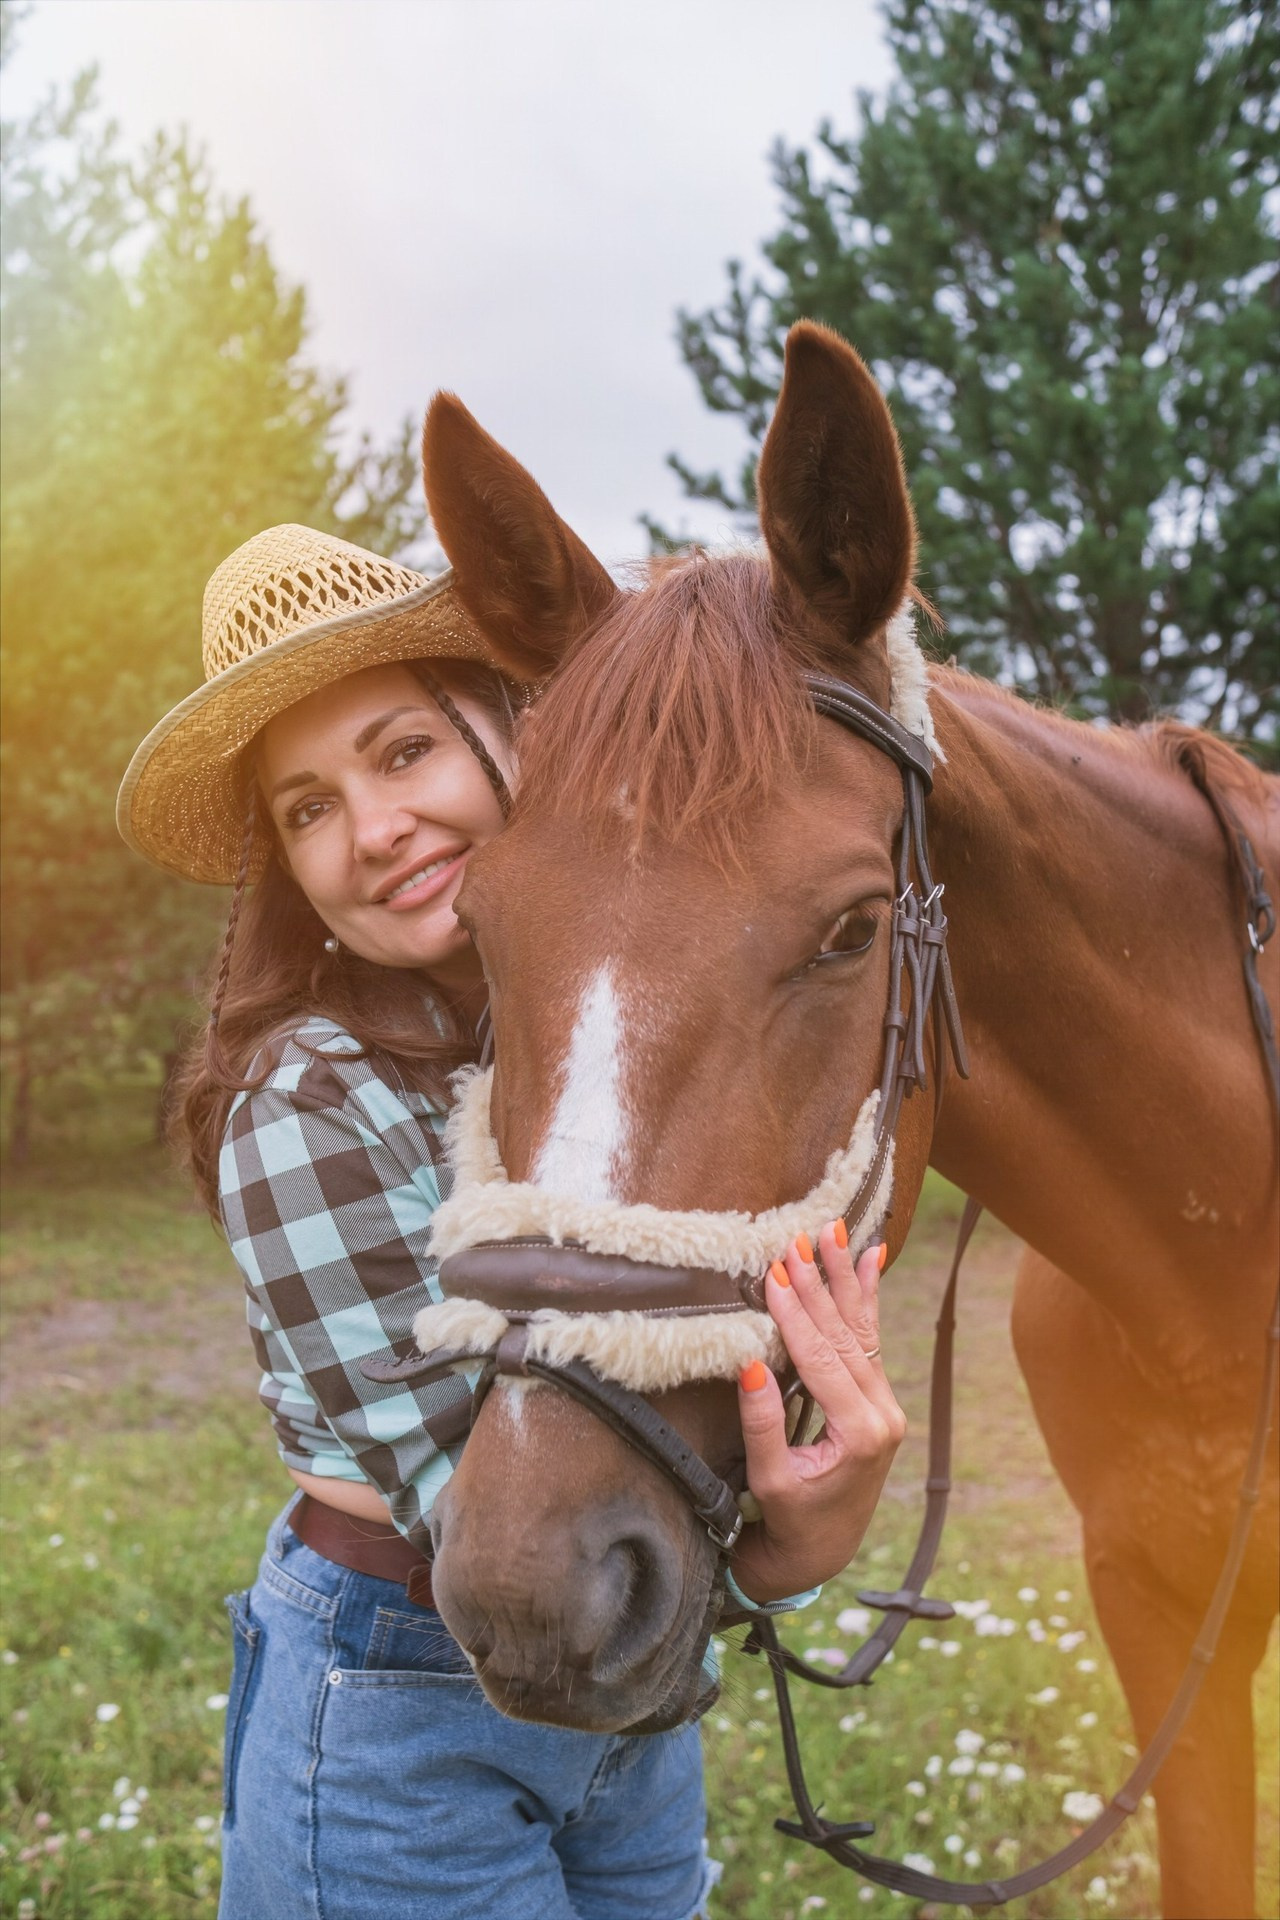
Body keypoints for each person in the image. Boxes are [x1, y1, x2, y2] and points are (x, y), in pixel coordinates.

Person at [117, 522, 907, 1920]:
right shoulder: (300, 1099)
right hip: (404, 1690)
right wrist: (783, 1559)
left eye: (404, 751)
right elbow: (478, 1521)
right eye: (306, 808)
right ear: (285, 867)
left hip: (620, 1713)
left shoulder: (578, 1041)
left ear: (507, 731)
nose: (373, 828)